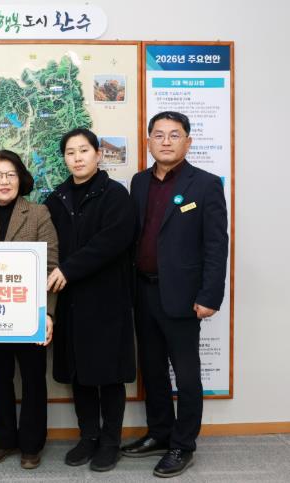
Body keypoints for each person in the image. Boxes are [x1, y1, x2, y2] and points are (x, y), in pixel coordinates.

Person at [122, 111, 228, 478]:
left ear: (188, 141)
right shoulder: (139, 182)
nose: (165, 141)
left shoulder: (206, 185)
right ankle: (160, 433)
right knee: (152, 370)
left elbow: (216, 245)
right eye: (159, 134)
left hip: (183, 296)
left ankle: (183, 444)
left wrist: (210, 296)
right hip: (143, 291)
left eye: (174, 134)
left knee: (186, 375)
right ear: (149, 141)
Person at [44, 128, 136, 472]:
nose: (77, 158)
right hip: (70, 301)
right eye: (70, 152)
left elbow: (113, 240)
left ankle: (111, 442)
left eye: (84, 150)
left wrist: (69, 269)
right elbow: (48, 247)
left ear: (98, 154)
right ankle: (88, 437)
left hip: (107, 299)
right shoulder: (56, 199)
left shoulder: (115, 195)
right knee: (79, 372)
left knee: (109, 375)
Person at [0, 150, 58, 470]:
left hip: (30, 314)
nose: (3, 181)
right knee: (0, 378)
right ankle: (3, 441)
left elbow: (50, 267)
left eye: (10, 175)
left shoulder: (38, 214)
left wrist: (47, 315)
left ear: (20, 179)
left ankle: (31, 445)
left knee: (33, 380)